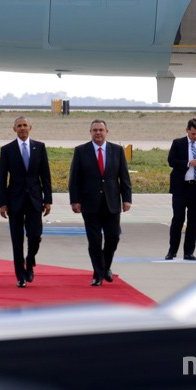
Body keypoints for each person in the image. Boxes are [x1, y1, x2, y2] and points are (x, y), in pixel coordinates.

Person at [68, 119, 132, 286]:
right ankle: (98, 274)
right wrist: (75, 200)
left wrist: (127, 199)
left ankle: (105, 266)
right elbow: (74, 178)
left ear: (106, 132)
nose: (98, 133)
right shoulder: (81, 151)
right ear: (90, 132)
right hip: (90, 203)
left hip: (111, 202)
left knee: (113, 237)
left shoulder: (117, 151)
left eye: (101, 130)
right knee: (95, 241)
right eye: (95, 130)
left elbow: (124, 177)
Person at [0, 116, 52, 288]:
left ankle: (30, 260)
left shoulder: (39, 147)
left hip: (35, 200)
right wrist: (3, 203)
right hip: (15, 200)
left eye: (25, 125)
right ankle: (20, 274)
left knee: (35, 235)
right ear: (14, 129)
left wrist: (48, 200)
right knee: (17, 239)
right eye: (19, 126)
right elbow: (2, 178)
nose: (22, 128)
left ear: (31, 127)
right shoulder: (7, 150)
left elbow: (45, 175)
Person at [166, 118, 196, 261]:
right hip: (181, 188)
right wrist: (188, 163)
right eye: (193, 134)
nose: (195, 136)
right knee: (178, 219)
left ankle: (189, 252)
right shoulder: (178, 143)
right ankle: (172, 251)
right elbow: (171, 161)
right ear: (187, 130)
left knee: (193, 221)